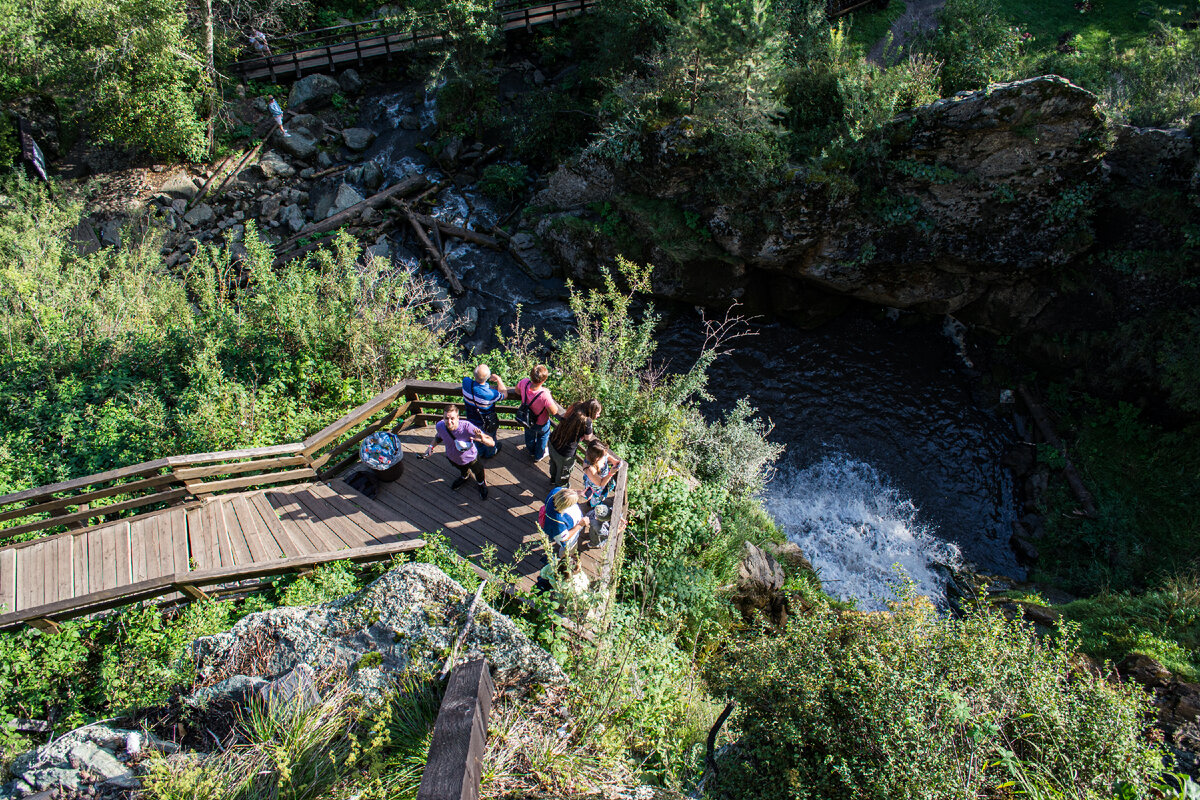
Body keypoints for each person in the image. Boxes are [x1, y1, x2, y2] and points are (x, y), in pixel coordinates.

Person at [423, 406, 494, 500]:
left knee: (478, 471)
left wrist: (482, 438)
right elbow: (439, 437)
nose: (449, 422)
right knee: (462, 469)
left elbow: (491, 443)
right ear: (443, 418)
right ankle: (465, 476)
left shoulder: (467, 427)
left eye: (452, 418)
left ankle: (481, 484)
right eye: (446, 418)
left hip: (471, 458)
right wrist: (431, 447)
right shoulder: (440, 426)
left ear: (458, 418)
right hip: (452, 457)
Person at [515, 365, 564, 462]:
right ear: (543, 380)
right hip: (541, 422)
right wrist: (548, 393)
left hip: (526, 419)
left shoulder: (524, 382)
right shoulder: (544, 394)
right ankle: (538, 455)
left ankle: (531, 451)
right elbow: (554, 411)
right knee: (543, 436)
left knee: (529, 434)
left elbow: (517, 391)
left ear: (531, 376)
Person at [548, 399, 601, 487]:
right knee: (563, 473)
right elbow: (588, 437)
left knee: (553, 463)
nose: (598, 415)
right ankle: (560, 489)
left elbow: (565, 416)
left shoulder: (576, 405)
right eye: (597, 413)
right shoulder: (587, 421)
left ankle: (553, 480)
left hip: (553, 440)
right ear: (591, 411)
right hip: (565, 452)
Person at [461, 364, 506, 459]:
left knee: (476, 437)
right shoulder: (488, 394)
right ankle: (490, 453)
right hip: (486, 422)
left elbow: (466, 378)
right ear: (488, 377)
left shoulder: (466, 383)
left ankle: (480, 452)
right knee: (489, 438)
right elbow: (504, 394)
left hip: (471, 420)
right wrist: (498, 379)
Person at [540, 487, 589, 558]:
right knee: (567, 549)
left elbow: (566, 492)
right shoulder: (558, 521)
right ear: (567, 505)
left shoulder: (555, 492)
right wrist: (580, 525)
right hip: (568, 538)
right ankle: (564, 558)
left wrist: (578, 493)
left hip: (568, 523)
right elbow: (564, 537)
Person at [582, 443, 621, 508]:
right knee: (596, 498)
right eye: (603, 454)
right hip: (596, 486)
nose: (605, 454)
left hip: (605, 480)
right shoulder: (590, 469)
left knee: (602, 493)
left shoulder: (600, 453)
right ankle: (594, 506)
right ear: (596, 457)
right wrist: (611, 473)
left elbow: (607, 455)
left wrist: (613, 461)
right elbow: (600, 483)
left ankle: (592, 502)